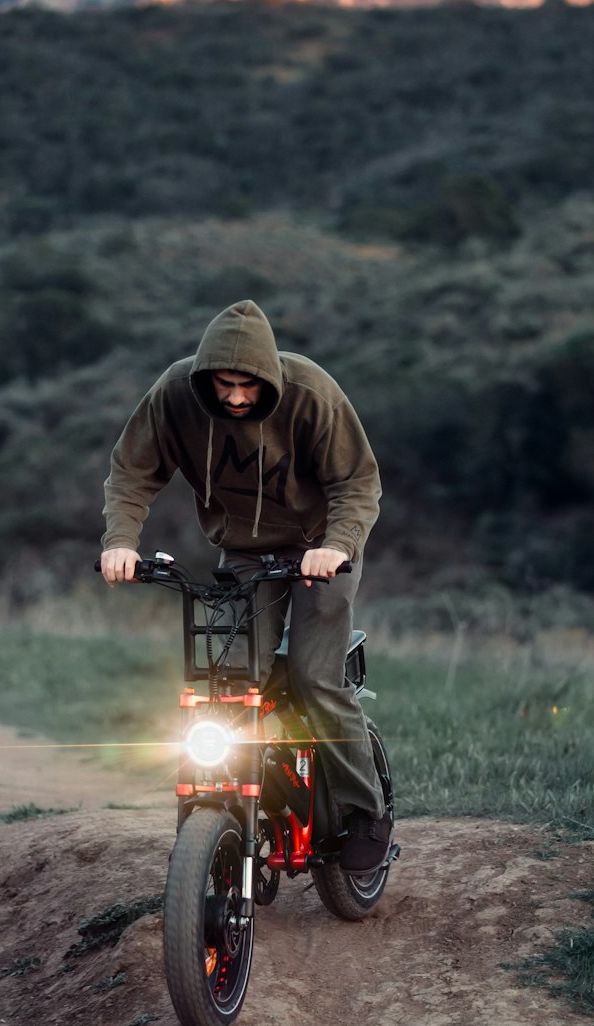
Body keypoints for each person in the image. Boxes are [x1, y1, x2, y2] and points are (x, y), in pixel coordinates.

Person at [99, 298, 391, 872]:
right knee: (229, 684)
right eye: (223, 384)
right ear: (204, 375)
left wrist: (335, 546)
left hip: (318, 552)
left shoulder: (311, 392)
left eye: (246, 386)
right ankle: (231, 809)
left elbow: (357, 482)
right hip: (246, 555)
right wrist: (120, 543)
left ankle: (365, 813)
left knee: (314, 677)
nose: (234, 397)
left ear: (268, 378)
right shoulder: (175, 395)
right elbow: (132, 472)